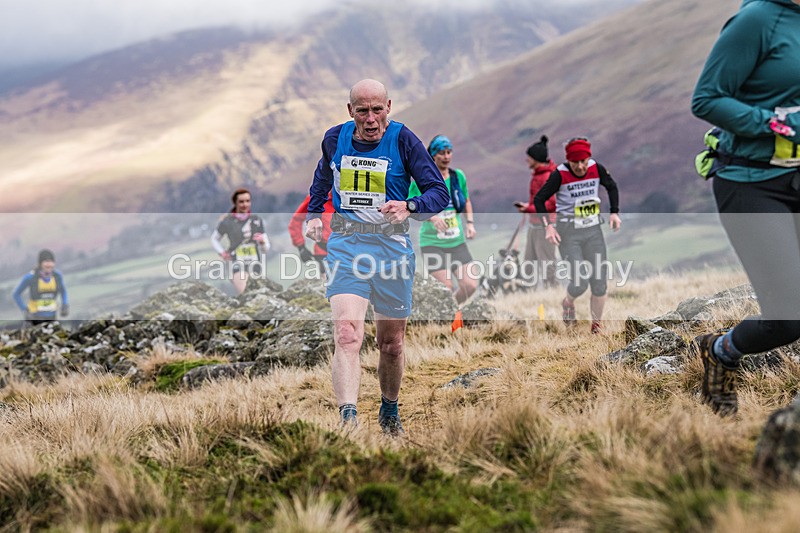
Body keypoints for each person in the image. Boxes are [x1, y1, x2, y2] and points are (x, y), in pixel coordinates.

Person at [305, 79, 449, 433]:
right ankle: (348, 421)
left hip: (392, 249)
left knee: (392, 344)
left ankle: (389, 409)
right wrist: (313, 214)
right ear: (350, 110)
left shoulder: (403, 140)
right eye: (362, 111)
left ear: (389, 105)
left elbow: (438, 193)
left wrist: (410, 205)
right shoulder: (333, 139)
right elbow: (323, 176)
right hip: (347, 244)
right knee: (347, 335)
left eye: (377, 110)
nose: (370, 119)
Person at [690, 0, 800, 417]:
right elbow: (706, 99)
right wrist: (776, 123)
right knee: (789, 318)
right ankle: (721, 351)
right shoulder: (758, 20)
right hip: (751, 183)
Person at [533, 137, 621, 334]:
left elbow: (612, 186)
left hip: (593, 231)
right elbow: (540, 199)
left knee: (599, 282)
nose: (580, 167)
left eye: (583, 161)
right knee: (580, 281)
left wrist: (614, 212)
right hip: (569, 234)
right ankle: (568, 301)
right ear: (569, 161)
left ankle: (596, 328)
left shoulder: (596, 168)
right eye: (575, 162)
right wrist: (548, 226)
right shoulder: (560, 174)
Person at [409, 135, 478, 304]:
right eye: (441, 153)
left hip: (456, 241)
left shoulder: (457, 177)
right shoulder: (422, 179)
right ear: (433, 155)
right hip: (432, 242)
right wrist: (432, 218)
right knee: (446, 288)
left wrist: (470, 223)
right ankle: (445, 316)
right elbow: (410, 207)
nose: (446, 156)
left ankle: (451, 313)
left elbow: (466, 200)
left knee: (470, 285)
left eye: (449, 152)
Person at [515, 135, 559, 289]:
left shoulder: (547, 177)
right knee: (529, 264)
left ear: (536, 158)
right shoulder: (538, 175)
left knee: (547, 264)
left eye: (529, 157)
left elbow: (550, 204)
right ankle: (529, 295)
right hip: (535, 225)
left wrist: (528, 208)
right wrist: (528, 206)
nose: (527, 160)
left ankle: (553, 293)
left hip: (545, 226)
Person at [211, 188, 271, 295]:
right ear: (235, 203)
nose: (245, 204)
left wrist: (262, 243)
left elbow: (266, 249)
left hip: (254, 262)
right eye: (241, 201)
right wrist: (222, 253)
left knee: (258, 295)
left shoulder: (256, 220)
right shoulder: (227, 221)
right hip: (235, 262)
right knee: (246, 294)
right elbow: (214, 239)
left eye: (248, 201)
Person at [13, 249, 69, 325]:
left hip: (52, 317)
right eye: (46, 261)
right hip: (35, 318)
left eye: (51, 261)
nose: (49, 264)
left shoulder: (57, 276)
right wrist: (25, 310)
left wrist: (65, 305)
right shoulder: (31, 277)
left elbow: (63, 291)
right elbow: (16, 294)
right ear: (40, 263)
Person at [288, 192, 335, 266]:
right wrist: (301, 247)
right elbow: (296, 221)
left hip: (351, 253)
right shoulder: (316, 198)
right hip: (324, 253)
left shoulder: (353, 197)